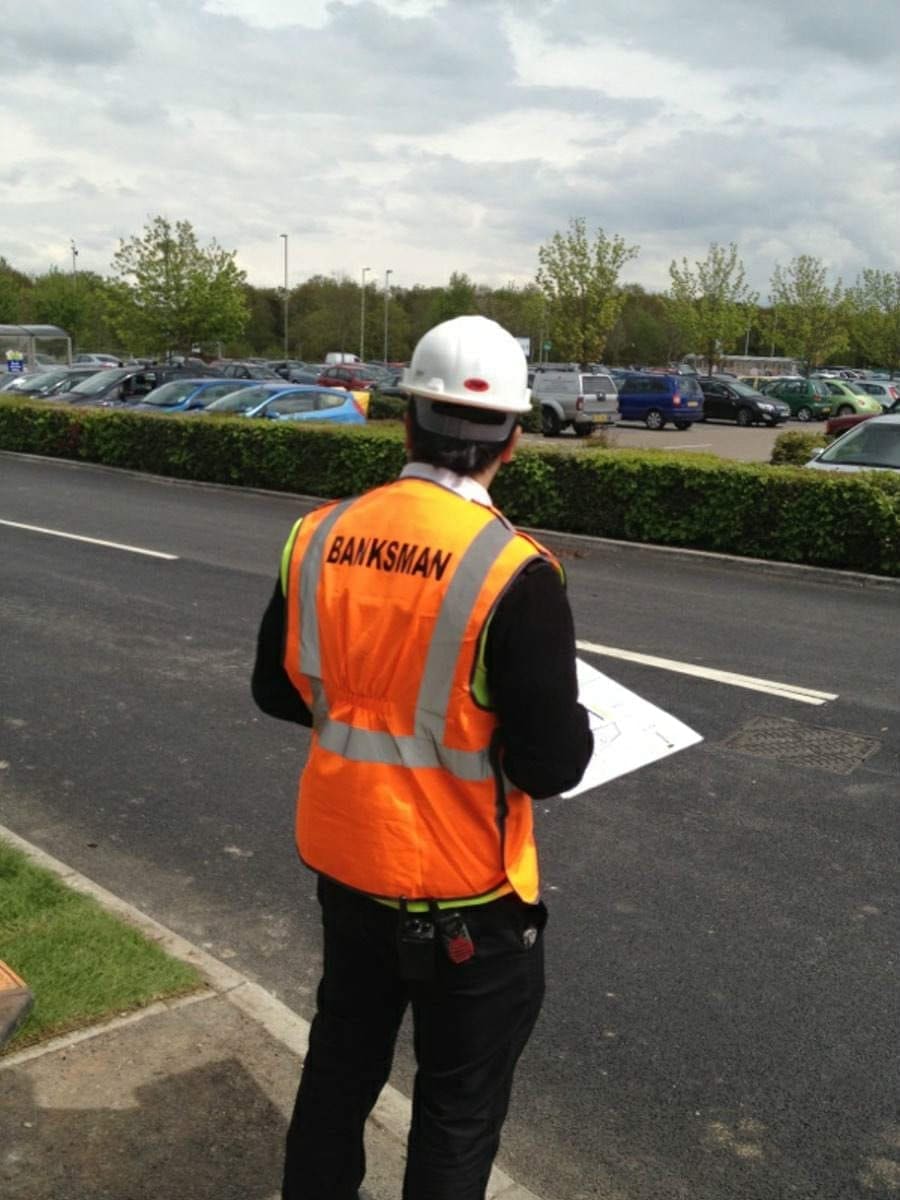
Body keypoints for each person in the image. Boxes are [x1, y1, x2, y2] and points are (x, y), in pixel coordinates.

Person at [251, 314, 593, 1200]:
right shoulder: (515, 571)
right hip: (468, 901)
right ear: (512, 441)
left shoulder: (317, 537)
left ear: (404, 420)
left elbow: (277, 689)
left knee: (337, 1076)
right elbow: (552, 765)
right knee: (455, 1115)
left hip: (348, 870)